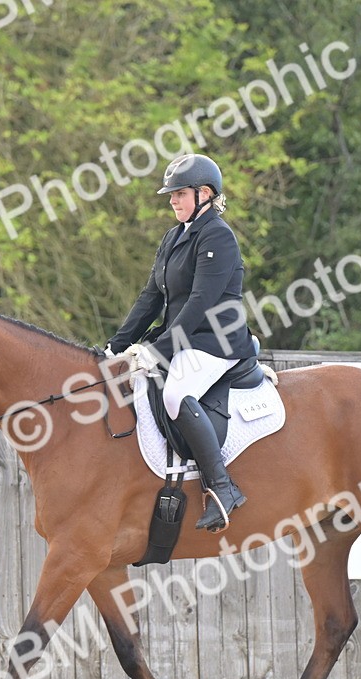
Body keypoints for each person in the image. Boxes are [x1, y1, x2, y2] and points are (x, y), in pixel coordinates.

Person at [106, 153, 257, 532]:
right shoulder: (174, 236)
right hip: (183, 339)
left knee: (175, 394)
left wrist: (159, 352)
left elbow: (199, 303)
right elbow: (150, 298)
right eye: (171, 194)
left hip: (215, 341)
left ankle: (222, 486)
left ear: (204, 194)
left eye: (179, 193)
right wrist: (116, 346)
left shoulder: (218, 236)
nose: (172, 200)